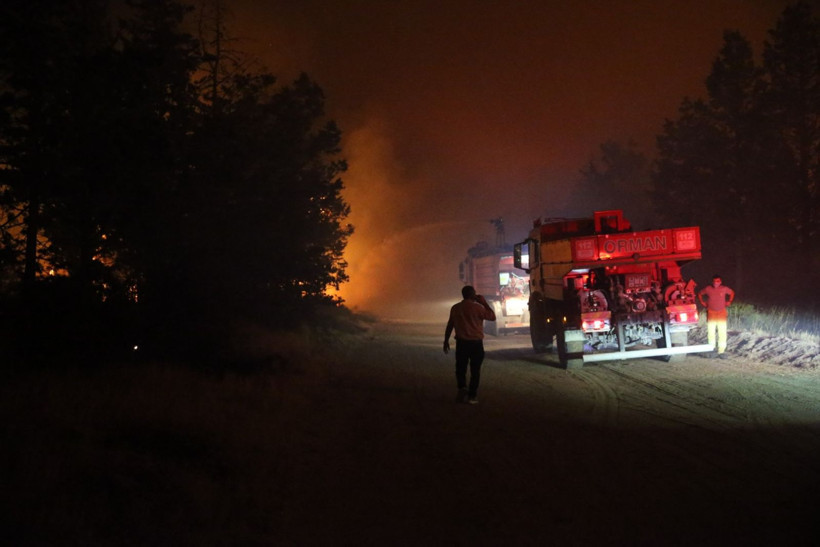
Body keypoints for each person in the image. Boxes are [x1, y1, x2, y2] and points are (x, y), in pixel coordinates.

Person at [443, 285, 496, 404]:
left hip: (462, 344)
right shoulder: (479, 308)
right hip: (476, 344)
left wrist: (446, 340)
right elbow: (492, 317)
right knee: (475, 370)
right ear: (473, 295)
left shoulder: (455, 308)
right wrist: (484, 303)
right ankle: (472, 395)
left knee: (460, 368)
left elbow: (450, 325)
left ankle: (462, 387)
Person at [698, 275, 735, 359]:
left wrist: (729, 301)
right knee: (711, 332)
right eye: (714, 281)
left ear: (720, 282)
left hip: (721, 313)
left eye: (717, 281)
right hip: (711, 313)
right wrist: (702, 302)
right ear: (712, 282)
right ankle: (712, 349)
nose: (716, 283)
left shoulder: (724, 288)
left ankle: (721, 351)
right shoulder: (708, 289)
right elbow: (700, 293)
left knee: (722, 333)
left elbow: (732, 292)